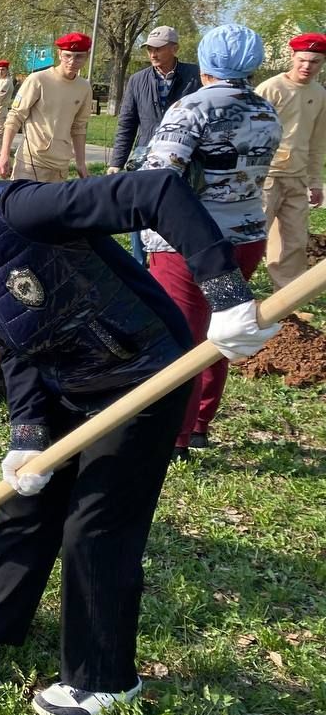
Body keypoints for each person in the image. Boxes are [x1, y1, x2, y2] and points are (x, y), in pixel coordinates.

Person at [0, 129, 276, 715]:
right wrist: (27, 436)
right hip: (67, 387)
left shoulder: (20, 211)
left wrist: (226, 294)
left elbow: (157, 191)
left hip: (145, 376)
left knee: (97, 525)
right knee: (24, 512)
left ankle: (104, 681)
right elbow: (15, 347)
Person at [142, 23, 282, 456]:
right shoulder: (266, 111)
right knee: (222, 327)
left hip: (188, 243)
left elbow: (157, 180)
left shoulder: (191, 109)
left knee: (180, 334)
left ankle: (174, 434)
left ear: (205, 64)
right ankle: (200, 422)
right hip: (245, 236)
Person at [106, 26, 202, 264]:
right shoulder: (138, 80)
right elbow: (127, 123)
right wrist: (116, 162)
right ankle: (140, 263)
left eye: (159, 48)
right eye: (150, 49)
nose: (153, 54)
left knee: (180, 210)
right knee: (139, 209)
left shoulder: (196, 77)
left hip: (185, 158)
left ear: (175, 48)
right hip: (146, 157)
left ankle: (177, 260)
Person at [256, 33, 326, 290]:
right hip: (266, 177)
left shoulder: (320, 94)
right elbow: (251, 134)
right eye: (303, 60)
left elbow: (318, 143)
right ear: (292, 58)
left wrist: (316, 182)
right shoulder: (270, 89)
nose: (307, 66)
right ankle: (234, 299)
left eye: (315, 62)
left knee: (294, 242)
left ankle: (285, 301)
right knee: (251, 237)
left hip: (297, 179)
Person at [0, 33, 93, 182]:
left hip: (61, 167)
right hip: (30, 164)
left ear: (87, 56)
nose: (72, 61)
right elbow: (15, 116)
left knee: (54, 206)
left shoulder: (84, 88)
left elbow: (79, 127)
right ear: (59, 54)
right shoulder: (38, 79)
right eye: (68, 55)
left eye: (79, 57)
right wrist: (4, 155)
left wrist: (81, 164)